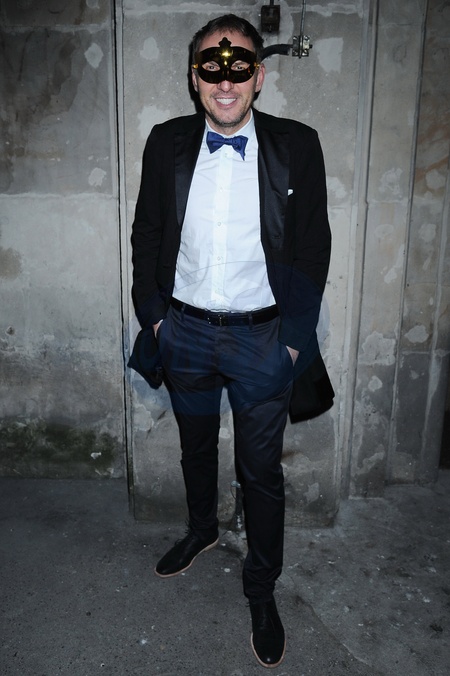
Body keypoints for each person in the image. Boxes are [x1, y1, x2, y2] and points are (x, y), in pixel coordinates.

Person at [129, 14, 333, 669]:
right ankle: (202, 530)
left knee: (260, 472)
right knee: (194, 447)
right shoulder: (165, 142)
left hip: (261, 341)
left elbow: (313, 247)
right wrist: (155, 318)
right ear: (195, 79)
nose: (225, 81)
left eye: (239, 67)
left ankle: (261, 589)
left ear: (258, 77)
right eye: (211, 69)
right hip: (183, 332)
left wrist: (293, 342)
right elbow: (147, 233)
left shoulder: (297, 145)